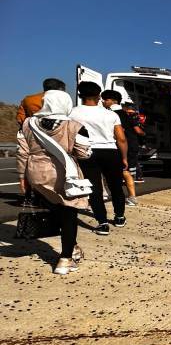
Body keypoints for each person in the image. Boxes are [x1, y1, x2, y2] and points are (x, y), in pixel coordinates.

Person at [16, 90, 91, 275]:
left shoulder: (28, 123)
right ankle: (65, 259)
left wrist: (21, 177)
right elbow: (84, 153)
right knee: (68, 215)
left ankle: (72, 247)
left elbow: (22, 152)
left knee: (55, 210)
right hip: (64, 175)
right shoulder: (74, 126)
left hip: (36, 174)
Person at [70, 81, 128, 235]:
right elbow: (121, 138)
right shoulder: (111, 114)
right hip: (110, 152)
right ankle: (119, 217)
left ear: (80, 95)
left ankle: (102, 223)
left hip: (86, 152)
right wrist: (124, 157)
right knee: (115, 185)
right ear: (99, 96)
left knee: (94, 188)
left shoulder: (72, 113)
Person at [102, 91, 139, 206]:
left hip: (120, 146)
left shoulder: (111, 114)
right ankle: (132, 197)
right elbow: (136, 130)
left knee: (121, 171)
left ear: (113, 101)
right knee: (125, 171)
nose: (103, 102)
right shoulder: (127, 113)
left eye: (105, 99)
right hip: (131, 145)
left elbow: (119, 135)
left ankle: (108, 194)